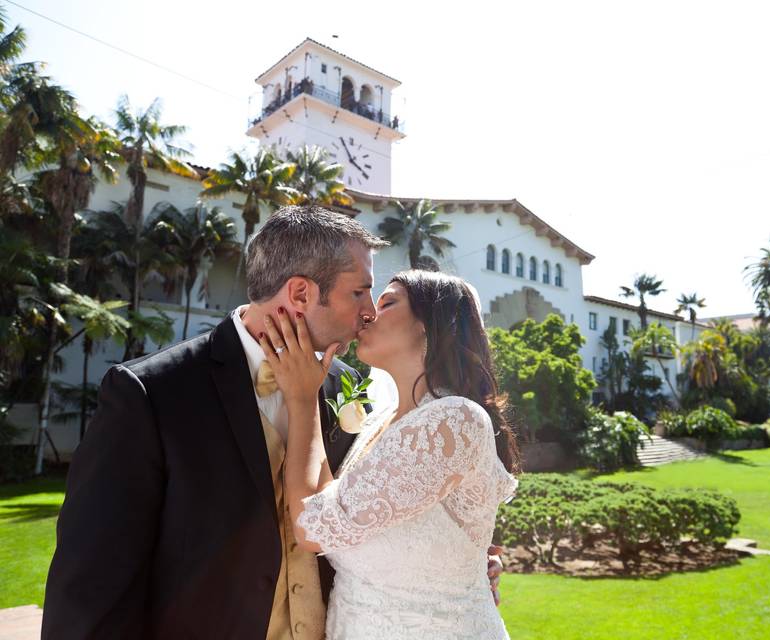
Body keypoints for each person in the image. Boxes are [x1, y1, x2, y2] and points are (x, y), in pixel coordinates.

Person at [42, 207, 504, 639]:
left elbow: (386, 509)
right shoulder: (150, 393)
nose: (368, 310)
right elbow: (90, 583)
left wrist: (456, 563)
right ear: (301, 293)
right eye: (359, 292)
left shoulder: (354, 390)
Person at [259, 269, 519, 639]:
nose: (367, 314)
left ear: (428, 324)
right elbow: (334, 502)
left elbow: (314, 527)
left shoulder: (453, 420)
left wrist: (303, 399)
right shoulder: (378, 422)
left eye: (387, 302)